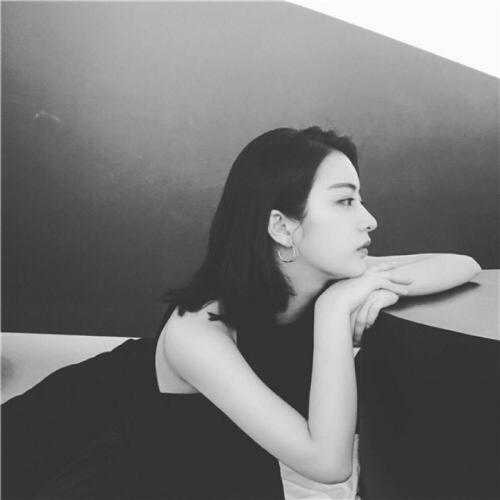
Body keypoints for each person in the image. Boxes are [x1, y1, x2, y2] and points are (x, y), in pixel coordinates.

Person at [2, 126, 481, 500]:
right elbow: (329, 463)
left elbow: (461, 264)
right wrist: (336, 309)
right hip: (85, 444)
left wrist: (355, 292)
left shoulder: (325, 275)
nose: (369, 219)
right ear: (281, 227)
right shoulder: (199, 331)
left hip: (214, 462)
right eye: (345, 201)